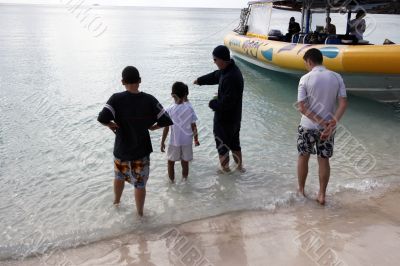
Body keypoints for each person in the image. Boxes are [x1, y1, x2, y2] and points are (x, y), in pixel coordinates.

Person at [97, 66, 173, 216]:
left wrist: (111, 125)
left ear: (122, 82)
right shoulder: (149, 99)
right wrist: (153, 127)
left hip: (121, 150)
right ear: (140, 81)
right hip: (141, 151)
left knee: (118, 177)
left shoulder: (116, 99)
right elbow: (167, 120)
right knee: (139, 184)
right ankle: (140, 214)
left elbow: (101, 118)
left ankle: (116, 203)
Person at [296, 48, 348, 205]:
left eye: (306, 63)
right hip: (328, 129)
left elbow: (302, 107)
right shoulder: (336, 77)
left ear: (309, 61)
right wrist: (332, 122)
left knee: (303, 157)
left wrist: (320, 121)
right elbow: (343, 103)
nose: (306, 66)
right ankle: (322, 195)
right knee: (323, 159)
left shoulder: (305, 78)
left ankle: (301, 191)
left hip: (307, 126)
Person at [194, 45, 244, 172]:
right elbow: (216, 76)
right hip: (235, 119)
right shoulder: (229, 69)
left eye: (215, 59)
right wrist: (200, 80)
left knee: (223, 147)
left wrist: (212, 103)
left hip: (224, 121)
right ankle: (239, 169)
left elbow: (226, 104)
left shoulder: (230, 77)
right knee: (234, 145)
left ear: (222, 59)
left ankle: (225, 173)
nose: (214, 62)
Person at [160, 82, 200, 182]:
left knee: (170, 162)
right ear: (185, 95)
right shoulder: (189, 108)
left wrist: (162, 141)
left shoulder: (169, 109)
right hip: (187, 141)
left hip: (174, 141)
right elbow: (194, 126)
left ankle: (172, 183)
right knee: (185, 162)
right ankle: (185, 181)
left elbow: (166, 127)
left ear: (172, 95)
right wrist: (196, 139)